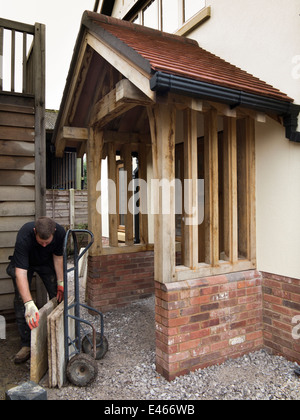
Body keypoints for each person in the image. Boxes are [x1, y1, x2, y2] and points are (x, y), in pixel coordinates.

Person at [6, 217, 66, 364]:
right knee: (21, 301)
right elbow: (20, 272)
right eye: (41, 241)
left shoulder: (60, 233)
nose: (45, 245)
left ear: (54, 232)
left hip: (46, 263)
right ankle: (26, 344)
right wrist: (29, 303)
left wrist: (60, 282)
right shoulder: (24, 235)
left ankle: (61, 336)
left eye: (48, 242)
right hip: (25, 264)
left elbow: (58, 258)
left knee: (58, 296)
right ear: (35, 232)